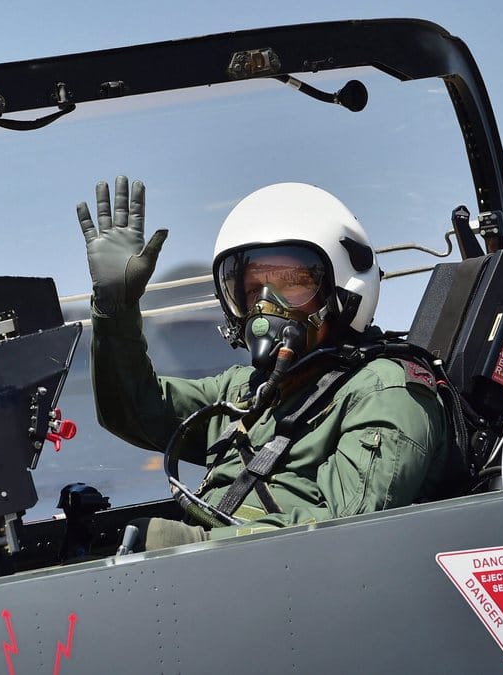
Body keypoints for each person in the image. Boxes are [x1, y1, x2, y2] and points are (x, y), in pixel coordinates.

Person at [78, 176, 465, 550]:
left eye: (291, 283)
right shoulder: (247, 391)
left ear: (341, 289)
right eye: (252, 289)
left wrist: (197, 545)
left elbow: (346, 532)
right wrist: (115, 311)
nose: (266, 306)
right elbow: (132, 408)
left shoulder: (385, 392)